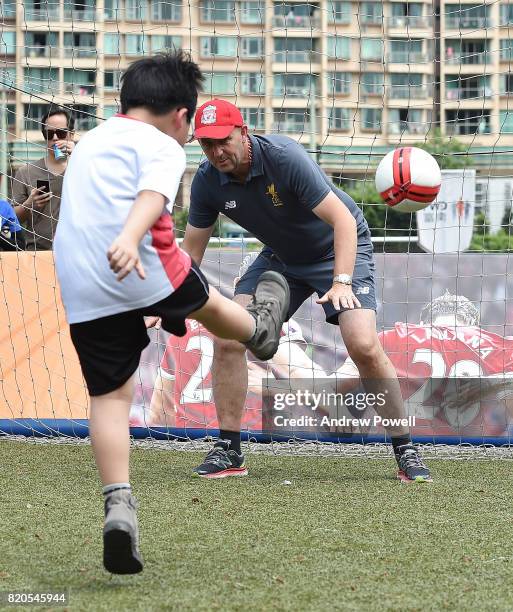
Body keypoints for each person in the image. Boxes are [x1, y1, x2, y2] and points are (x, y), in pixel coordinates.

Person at [53, 52, 290, 575]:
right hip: (140, 260)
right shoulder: (160, 144)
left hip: (80, 281)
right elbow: (152, 196)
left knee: (110, 398)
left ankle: (119, 504)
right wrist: (131, 236)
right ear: (181, 115)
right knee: (205, 302)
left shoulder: (90, 140)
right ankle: (262, 331)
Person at [182, 98, 431, 482]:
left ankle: (405, 448)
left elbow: (343, 221)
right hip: (281, 256)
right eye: (206, 144)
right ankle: (229, 449)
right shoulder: (205, 181)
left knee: (362, 344)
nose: (216, 152)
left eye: (223, 141)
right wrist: (167, 300)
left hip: (338, 247)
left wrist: (341, 281)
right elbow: (191, 253)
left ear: (243, 132)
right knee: (228, 338)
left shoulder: (284, 157)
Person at [144, 252, 325, 451]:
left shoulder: (183, 326)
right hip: (249, 440)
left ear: (238, 283)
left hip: (186, 441)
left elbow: (158, 412)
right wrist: (274, 387)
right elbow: (321, 390)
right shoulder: (275, 327)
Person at [338, 291, 513, 441]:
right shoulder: (498, 347)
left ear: (423, 322)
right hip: (464, 456)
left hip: (394, 450)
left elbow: (337, 386)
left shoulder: (389, 338)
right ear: (475, 326)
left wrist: (308, 364)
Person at [12, 106, 76, 251]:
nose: (54, 138)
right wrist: (29, 204)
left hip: (76, 252)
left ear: (71, 135)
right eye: (49, 134)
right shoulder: (26, 172)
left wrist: (79, 155)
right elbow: (13, 219)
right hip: (37, 252)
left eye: (61, 133)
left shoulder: (84, 167)